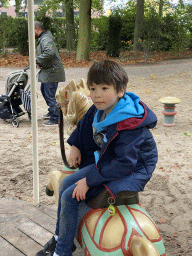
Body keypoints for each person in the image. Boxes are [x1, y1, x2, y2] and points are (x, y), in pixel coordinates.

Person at [35, 60, 158, 256]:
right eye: (92, 88)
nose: (96, 94)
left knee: (70, 195)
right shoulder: (101, 107)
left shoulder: (128, 123)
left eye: (104, 88)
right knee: (66, 182)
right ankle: (60, 238)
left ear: (120, 91)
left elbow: (124, 163)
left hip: (130, 171)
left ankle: (62, 251)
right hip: (109, 161)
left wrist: (88, 180)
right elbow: (85, 121)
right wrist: (75, 144)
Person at [35, 21, 65, 126]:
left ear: (36, 29)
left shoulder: (46, 39)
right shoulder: (44, 38)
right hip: (49, 70)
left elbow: (49, 52)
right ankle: (52, 111)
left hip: (52, 71)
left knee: (49, 94)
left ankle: (55, 118)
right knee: (44, 90)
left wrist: (37, 60)